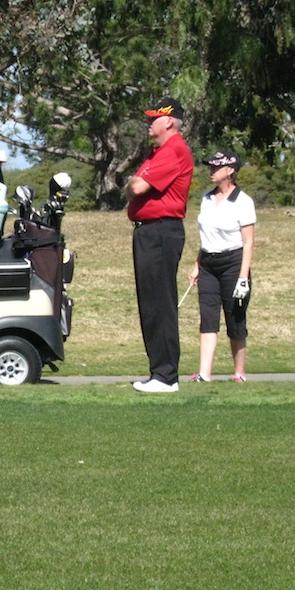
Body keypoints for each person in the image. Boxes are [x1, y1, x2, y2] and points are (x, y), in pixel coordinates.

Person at [126, 97, 194, 393]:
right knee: (150, 303)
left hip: (161, 231)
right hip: (149, 232)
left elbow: (136, 187)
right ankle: (159, 373)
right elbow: (133, 188)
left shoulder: (174, 150)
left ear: (168, 121)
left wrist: (134, 181)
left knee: (160, 304)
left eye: (154, 118)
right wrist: (134, 182)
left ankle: (166, 376)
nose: (149, 123)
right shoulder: (158, 153)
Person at [187, 151, 256, 382]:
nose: (211, 171)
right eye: (211, 167)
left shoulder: (243, 201)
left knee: (235, 318)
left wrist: (243, 278)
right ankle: (204, 373)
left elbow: (248, 243)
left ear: (230, 170)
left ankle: (239, 372)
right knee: (208, 318)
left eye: (217, 167)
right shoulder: (207, 198)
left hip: (233, 264)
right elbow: (206, 236)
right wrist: (197, 264)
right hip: (208, 264)